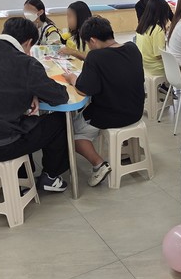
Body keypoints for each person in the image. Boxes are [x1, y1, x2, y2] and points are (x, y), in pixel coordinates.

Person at [0, 17, 71, 192]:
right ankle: (50, 177)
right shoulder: (26, 63)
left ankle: (23, 175)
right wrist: (35, 90)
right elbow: (60, 97)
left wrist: (32, 92)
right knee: (59, 121)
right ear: (28, 43)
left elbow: (1, 83)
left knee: (26, 121)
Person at [61, 17, 145, 187]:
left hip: (110, 114)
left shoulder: (96, 57)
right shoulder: (132, 48)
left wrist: (72, 79)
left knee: (68, 132)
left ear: (92, 40)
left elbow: (84, 89)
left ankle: (99, 164)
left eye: (88, 43)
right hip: (136, 110)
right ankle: (126, 149)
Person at [135, 0, 172, 77]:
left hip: (144, 66)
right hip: (156, 68)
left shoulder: (142, 26)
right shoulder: (157, 30)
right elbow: (159, 54)